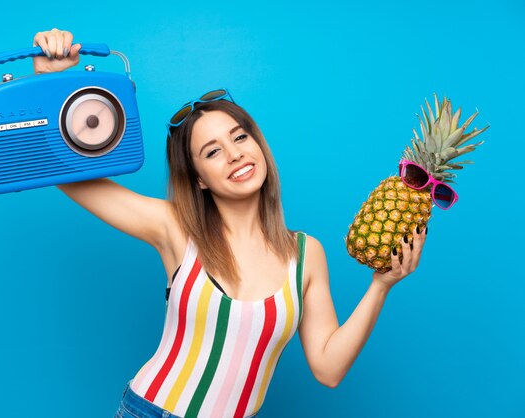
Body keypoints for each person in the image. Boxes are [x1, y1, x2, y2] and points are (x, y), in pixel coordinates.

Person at [32, 28, 427, 418]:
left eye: (240, 138)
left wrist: (380, 286)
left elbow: (328, 369)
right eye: (212, 151)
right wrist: (49, 81)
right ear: (199, 178)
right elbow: (65, 173)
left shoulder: (306, 254)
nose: (235, 155)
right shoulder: (175, 228)